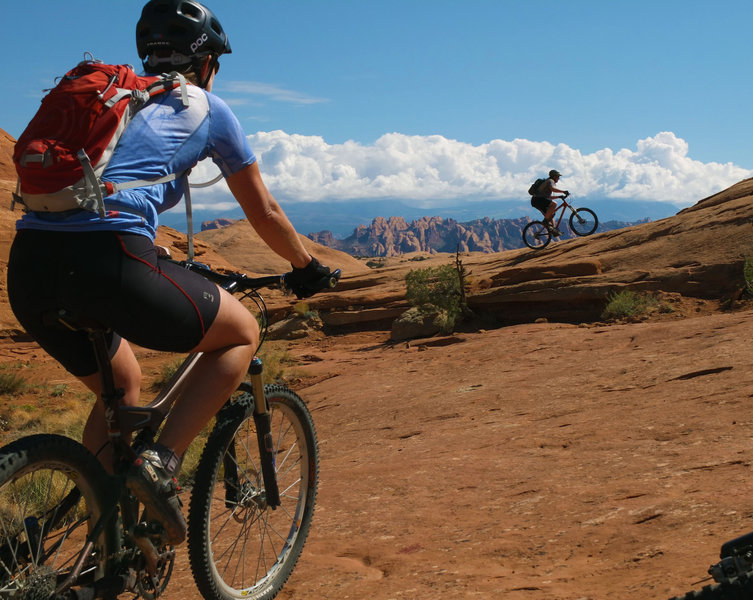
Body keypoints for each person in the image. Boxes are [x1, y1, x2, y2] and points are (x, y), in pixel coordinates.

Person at [6, 0, 334, 546]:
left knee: (124, 385)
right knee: (241, 333)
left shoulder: (109, 97)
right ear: (206, 60)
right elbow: (266, 213)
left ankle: (93, 542)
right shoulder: (207, 106)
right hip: (112, 260)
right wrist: (306, 266)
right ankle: (160, 462)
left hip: (31, 267)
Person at [531, 169, 569, 236]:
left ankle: (553, 230)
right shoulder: (550, 181)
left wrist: (559, 196)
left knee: (551, 214)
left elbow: (548, 197)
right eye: (558, 176)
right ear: (554, 176)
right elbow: (553, 189)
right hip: (538, 200)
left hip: (536, 200)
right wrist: (563, 191)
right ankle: (545, 221)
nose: (559, 178)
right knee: (554, 204)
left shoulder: (547, 182)